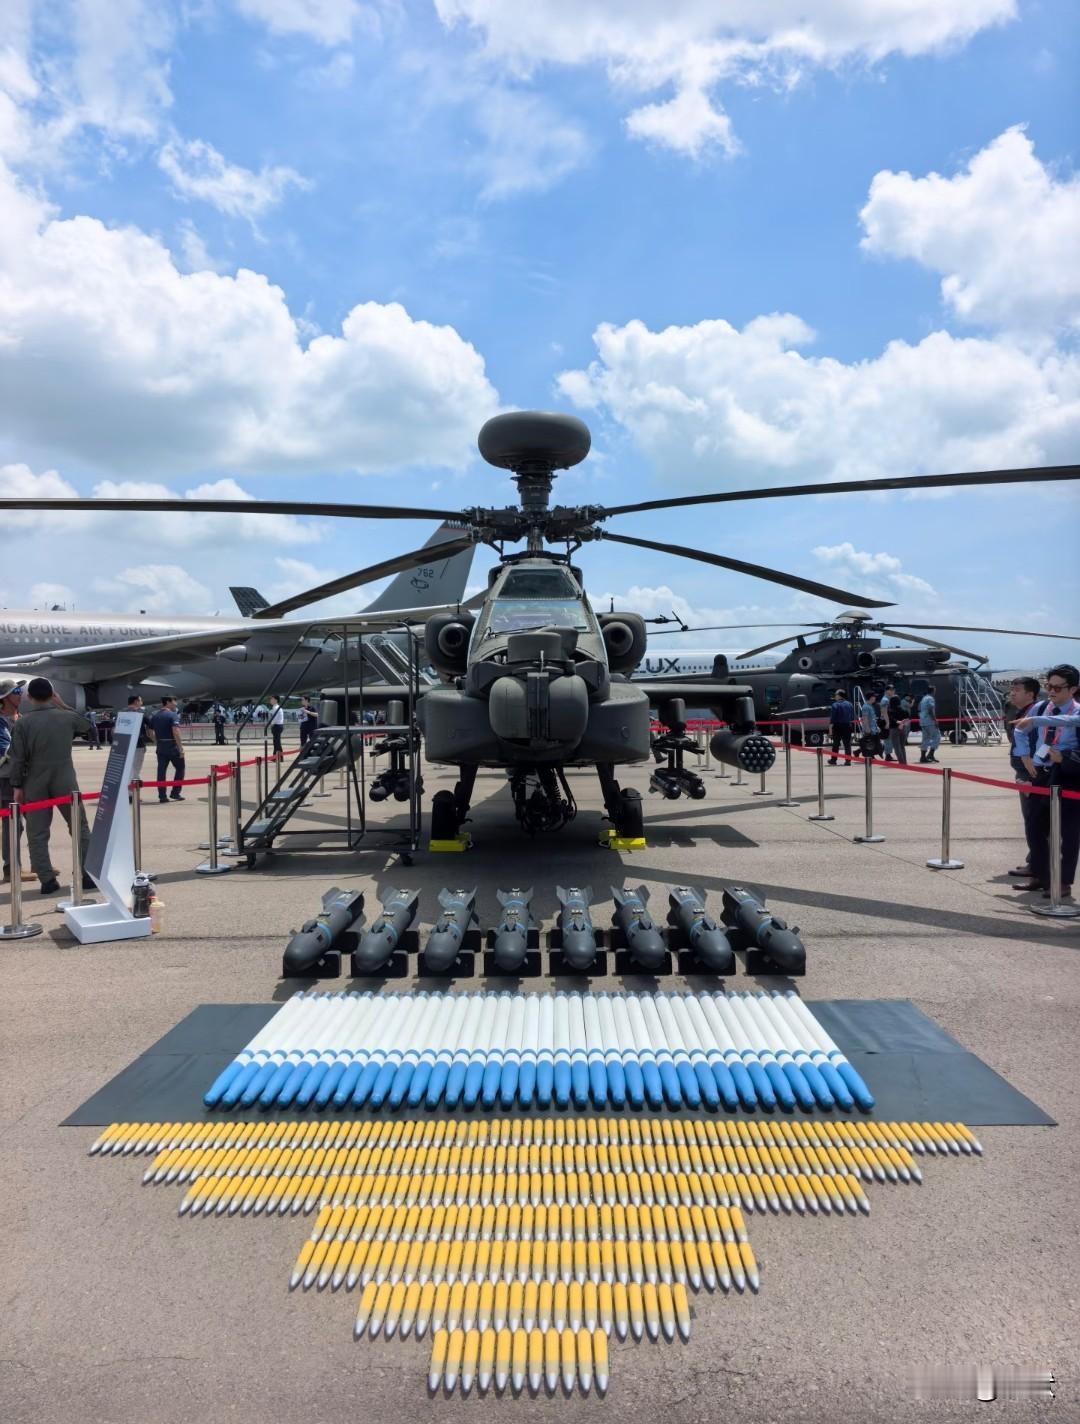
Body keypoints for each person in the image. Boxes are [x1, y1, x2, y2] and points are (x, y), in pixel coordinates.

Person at [7, 677, 94, 896]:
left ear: (29, 697)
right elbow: (87, 726)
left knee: (37, 832)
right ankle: (87, 874)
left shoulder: (23, 723)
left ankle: (46, 880)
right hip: (65, 777)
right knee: (79, 826)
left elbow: (17, 758)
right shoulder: (66, 717)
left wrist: (16, 785)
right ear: (52, 695)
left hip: (35, 780)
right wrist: (63, 705)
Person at [1014, 664, 1080, 898]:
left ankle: (1063, 881)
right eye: (1048, 686)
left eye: (1057, 688)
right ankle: (1041, 875)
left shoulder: (1077, 713)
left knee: (1069, 832)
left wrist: (1065, 757)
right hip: (1041, 773)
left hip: (1068, 776)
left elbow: (1068, 722)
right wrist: (1025, 756)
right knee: (1034, 826)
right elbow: (1020, 730)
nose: (1051, 691)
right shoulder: (1041, 707)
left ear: (1073, 689)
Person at [1004, 676, 1045, 880]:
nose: (1012, 693)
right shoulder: (1022, 712)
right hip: (1024, 773)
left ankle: (1037, 865)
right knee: (1031, 820)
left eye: (1017, 690)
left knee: (1033, 821)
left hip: (1030, 775)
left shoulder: (1033, 715)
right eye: (1012, 689)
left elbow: (1037, 744)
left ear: (1030, 694)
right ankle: (1034, 861)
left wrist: (1031, 774)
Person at [0, 678, 29, 882]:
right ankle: (11, 868)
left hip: (25, 777)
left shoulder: (22, 718)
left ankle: (38, 863)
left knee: (33, 823)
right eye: (16, 691)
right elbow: (7, 750)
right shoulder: (1, 722)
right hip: (6, 779)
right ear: (4, 697)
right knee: (12, 824)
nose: (21, 694)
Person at [151, 695, 186, 803]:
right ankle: (175, 792)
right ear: (168, 702)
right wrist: (180, 748)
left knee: (161, 771)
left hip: (161, 746)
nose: (176, 703)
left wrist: (156, 741)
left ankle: (162, 796)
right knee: (180, 768)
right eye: (174, 701)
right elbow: (176, 731)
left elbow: (149, 731)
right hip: (172, 746)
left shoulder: (155, 715)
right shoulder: (173, 715)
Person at [127, 694, 153, 790]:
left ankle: (128, 789)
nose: (142, 702)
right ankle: (132, 791)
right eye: (140, 700)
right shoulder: (141, 712)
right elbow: (151, 725)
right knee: (136, 767)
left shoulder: (121, 712)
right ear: (136, 701)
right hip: (138, 744)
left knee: (127, 767)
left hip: (124, 744)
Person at [881, 685, 907, 765]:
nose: (893, 691)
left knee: (893, 742)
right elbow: (884, 712)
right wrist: (888, 722)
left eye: (893, 689)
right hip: (891, 723)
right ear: (887, 690)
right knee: (890, 740)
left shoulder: (889, 700)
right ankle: (889, 755)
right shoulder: (885, 700)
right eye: (891, 690)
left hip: (893, 724)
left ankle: (891, 756)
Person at [827, 689, 854, 765]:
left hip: (837, 727)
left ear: (839, 696)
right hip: (847, 726)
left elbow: (832, 719)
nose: (835, 696)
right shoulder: (850, 704)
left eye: (836, 695)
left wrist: (830, 731)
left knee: (836, 744)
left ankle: (833, 760)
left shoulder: (835, 705)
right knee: (847, 744)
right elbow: (852, 717)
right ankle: (848, 760)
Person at [918, 688, 941, 764]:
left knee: (925, 739)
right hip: (930, 722)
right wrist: (935, 720)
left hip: (923, 721)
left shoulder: (923, 698)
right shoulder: (930, 698)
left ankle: (923, 757)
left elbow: (919, 708)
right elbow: (931, 710)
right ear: (933, 691)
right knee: (937, 737)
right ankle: (930, 754)